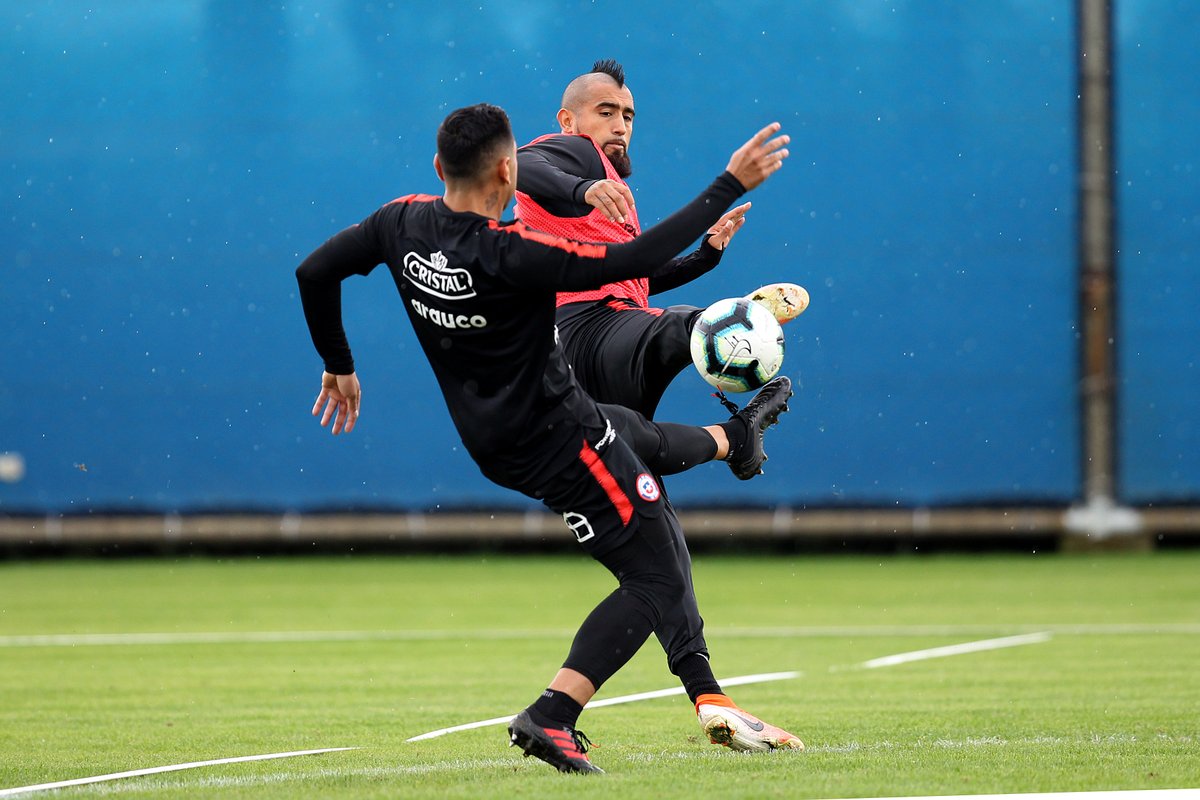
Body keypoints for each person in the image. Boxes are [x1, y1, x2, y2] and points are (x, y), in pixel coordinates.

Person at [296, 103, 802, 774]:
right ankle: (552, 715)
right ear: (508, 171)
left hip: (492, 442)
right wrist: (728, 183)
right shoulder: (513, 254)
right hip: (564, 438)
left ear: (437, 167)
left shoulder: (401, 222)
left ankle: (732, 441)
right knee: (656, 572)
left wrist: (338, 363)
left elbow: (313, 271)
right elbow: (636, 255)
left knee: (638, 450)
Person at [515, 58, 809, 422]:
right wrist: (583, 188)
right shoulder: (580, 152)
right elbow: (518, 164)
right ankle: (725, 329)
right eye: (605, 112)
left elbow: (633, 278)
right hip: (585, 327)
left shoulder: (606, 190)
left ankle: (730, 436)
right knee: (680, 326)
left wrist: (703, 257)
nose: (620, 127)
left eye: (627, 116)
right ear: (567, 121)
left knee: (629, 458)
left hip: (581, 345)